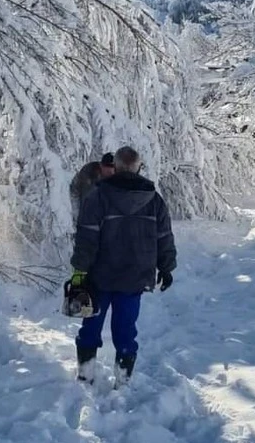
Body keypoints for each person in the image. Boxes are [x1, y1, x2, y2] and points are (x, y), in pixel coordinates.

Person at [69, 146, 176, 385]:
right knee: (126, 329)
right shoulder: (154, 200)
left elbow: (86, 237)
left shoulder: (98, 197)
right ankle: (123, 381)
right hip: (135, 278)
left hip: (100, 277)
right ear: (138, 167)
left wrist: (79, 271)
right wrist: (166, 268)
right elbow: (164, 236)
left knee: (91, 326)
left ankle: (85, 375)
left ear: (115, 167)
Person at [69, 152, 114, 224]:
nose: (111, 171)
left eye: (113, 168)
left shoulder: (112, 175)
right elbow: (86, 201)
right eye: (108, 167)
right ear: (101, 165)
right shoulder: (90, 173)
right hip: (76, 197)